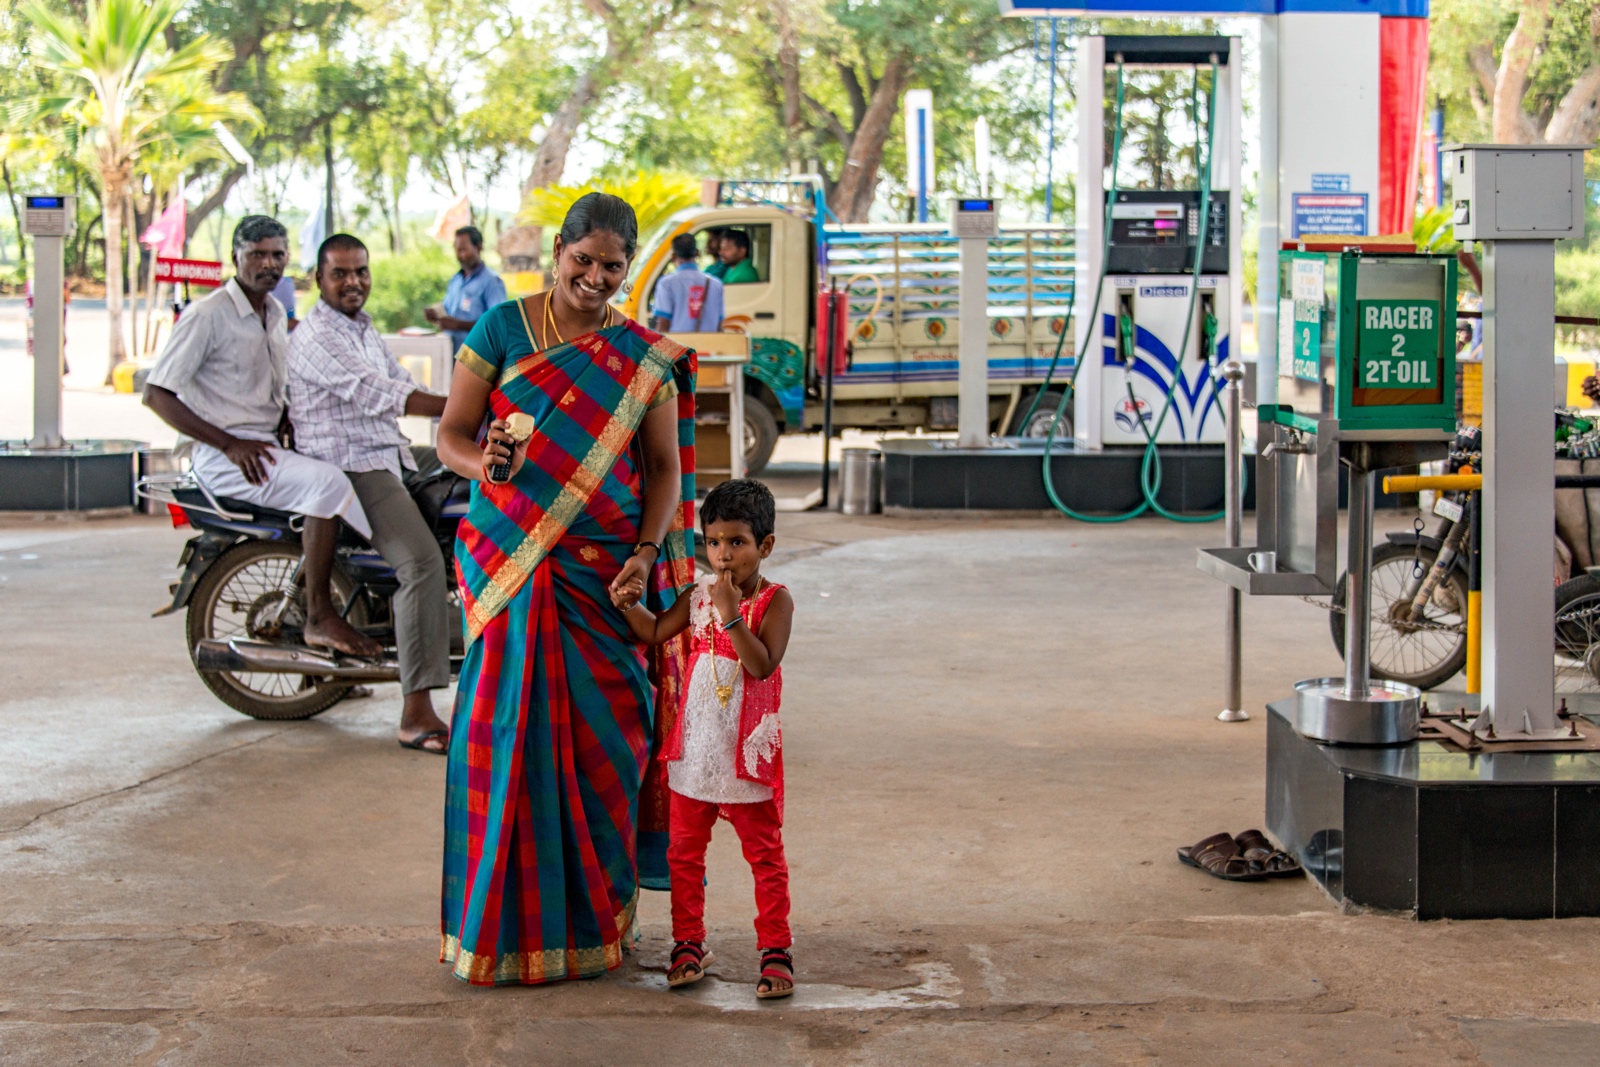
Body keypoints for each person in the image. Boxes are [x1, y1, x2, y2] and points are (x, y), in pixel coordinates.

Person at [434, 192, 697, 985]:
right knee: (497, 740)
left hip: (605, 579)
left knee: (606, 749)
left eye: (612, 267)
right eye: (583, 261)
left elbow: (663, 472)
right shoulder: (503, 328)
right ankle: (495, 931)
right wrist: (485, 465)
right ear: (558, 249)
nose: (595, 278)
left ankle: (596, 929)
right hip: (513, 568)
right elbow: (450, 434)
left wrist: (647, 556)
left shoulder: (645, 358)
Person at [145, 215, 378, 658]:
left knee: (351, 466)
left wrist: (287, 413)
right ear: (235, 257)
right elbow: (157, 394)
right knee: (327, 483)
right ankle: (317, 617)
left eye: (276, 255)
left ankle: (330, 641)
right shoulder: (207, 315)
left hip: (265, 448)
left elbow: (263, 387)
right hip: (228, 458)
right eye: (256, 255)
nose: (267, 264)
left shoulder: (273, 312)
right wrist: (229, 444)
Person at [609, 479, 795, 999]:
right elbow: (651, 632)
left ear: (766, 546)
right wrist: (627, 603)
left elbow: (760, 664)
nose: (724, 554)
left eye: (737, 542)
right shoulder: (695, 598)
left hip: (746, 756)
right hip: (695, 752)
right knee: (684, 854)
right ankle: (689, 944)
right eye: (714, 542)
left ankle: (775, 950)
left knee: (764, 854)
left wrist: (731, 612)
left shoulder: (775, 603)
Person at [286, 233, 453, 754]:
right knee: (421, 564)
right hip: (352, 463)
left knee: (472, 479)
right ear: (319, 279)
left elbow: (397, 376)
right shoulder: (318, 335)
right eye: (340, 273)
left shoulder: (361, 328)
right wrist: (462, 406)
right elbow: (379, 392)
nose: (353, 281)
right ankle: (417, 711)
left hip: (389, 451)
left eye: (360, 271)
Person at [425, 225, 507, 351]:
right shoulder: (456, 279)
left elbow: (498, 323)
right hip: (449, 353)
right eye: (456, 250)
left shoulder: (491, 282)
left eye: (463, 250)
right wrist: (435, 315)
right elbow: (448, 310)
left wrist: (460, 325)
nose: (459, 255)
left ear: (478, 247)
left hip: (477, 358)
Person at [650, 233, 724, 333]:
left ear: (673, 256)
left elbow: (663, 324)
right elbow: (719, 327)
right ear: (697, 253)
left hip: (680, 347)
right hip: (708, 347)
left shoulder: (666, 284)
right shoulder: (716, 284)